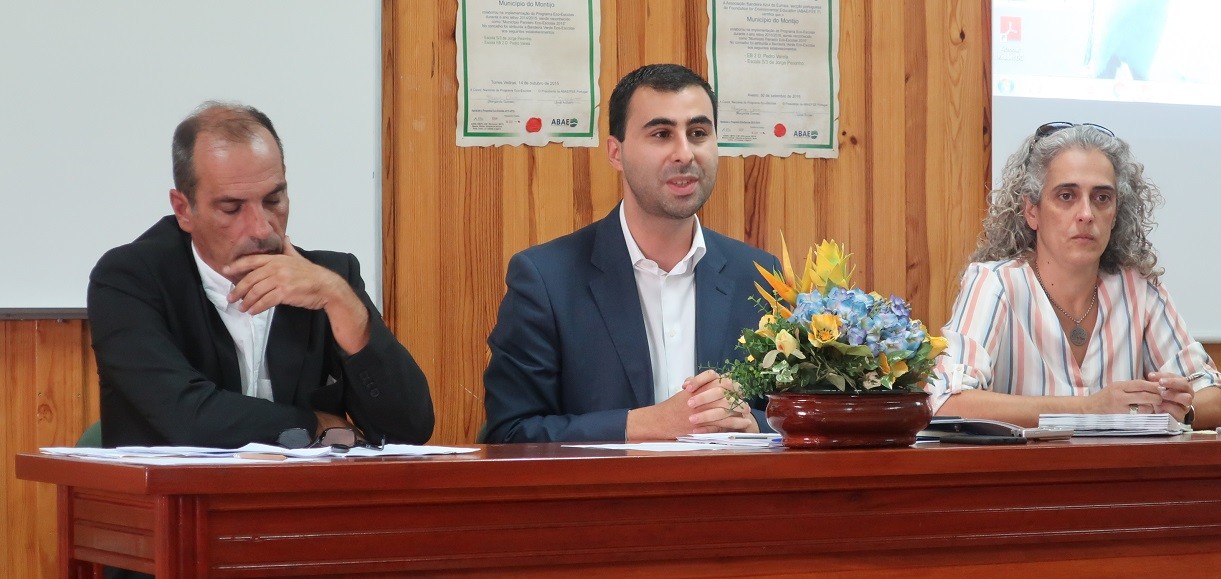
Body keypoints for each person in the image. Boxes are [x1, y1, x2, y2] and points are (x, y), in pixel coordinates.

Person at [88, 102, 435, 450]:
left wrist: (342, 301)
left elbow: (409, 429)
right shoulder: (128, 282)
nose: (261, 228)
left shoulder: (326, 279)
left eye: (274, 200)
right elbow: (187, 420)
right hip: (175, 501)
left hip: (301, 501)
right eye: (232, 208)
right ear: (183, 210)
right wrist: (313, 423)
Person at [481, 64, 779, 443]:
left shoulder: (760, 276)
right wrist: (646, 426)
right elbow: (508, 434)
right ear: (616, 153)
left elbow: (798, 418)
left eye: (699, 133)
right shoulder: (546, 280)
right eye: (661, 134)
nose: (684, 153)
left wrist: (752, 423)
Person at [929, 122, 1221, 429]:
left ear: (1115, 214)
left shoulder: (1139, 290)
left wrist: (1184, 409)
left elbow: (1215, 398)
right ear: (1032, 211)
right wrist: (1087, 408)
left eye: (1101, 198)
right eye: (1066, 196)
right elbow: (947, 402)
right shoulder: (995, 284)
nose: (1086, 214)